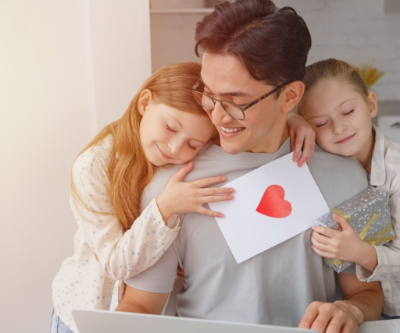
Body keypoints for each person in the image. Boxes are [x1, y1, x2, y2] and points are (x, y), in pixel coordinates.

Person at [116, 1, 384, 333]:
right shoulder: (173, 189)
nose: (217, 115)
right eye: (208, 93)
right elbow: (141, 304)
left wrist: (351, 310)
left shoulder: (346, 179)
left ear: (289, 97)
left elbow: (367, 293)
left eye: (237, 102)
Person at [50, 60, 315, 333]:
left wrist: (293, 119)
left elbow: (247, 127)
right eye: (170, 128)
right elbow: (116, 265)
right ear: (144, 103)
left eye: (192, 144)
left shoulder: (195, 148)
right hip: (88, 313)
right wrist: (165, 208)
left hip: (153, 313)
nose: (174, 147)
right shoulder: (94, 165)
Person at [298, 58, 400, 319]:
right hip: (370, 305)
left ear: (371, 105)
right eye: (321, 123)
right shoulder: (326, 167)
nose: (339, 128)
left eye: (348, 112)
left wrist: (355, 251)